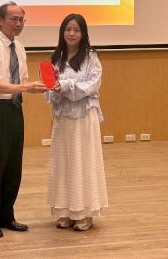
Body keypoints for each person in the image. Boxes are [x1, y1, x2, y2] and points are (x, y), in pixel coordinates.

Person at [0, 2, 47, 238]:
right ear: (0, 20)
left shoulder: (20, 48)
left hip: (15, 109)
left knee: (13, 165)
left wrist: (36, 87)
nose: (18, 24)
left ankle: (7, 215)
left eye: (21, 20)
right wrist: (24, 87)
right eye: (14, 19)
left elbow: (22, 80)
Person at [46, 14, 108, 231]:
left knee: (83, 160)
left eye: (76, 30)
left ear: (83, 33)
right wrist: (54, 89)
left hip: (84, 116)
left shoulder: (91, 57)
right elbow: (49, 90)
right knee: (63, 162)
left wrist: (66, 85)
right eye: (68, 29)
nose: (71, 34)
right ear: (62, 32)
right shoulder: (56, 57)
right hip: (63, 118)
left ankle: (85, 213)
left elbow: (92, 85)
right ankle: (65, 211)